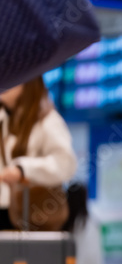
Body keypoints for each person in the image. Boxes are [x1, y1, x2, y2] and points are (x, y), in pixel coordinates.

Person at [0, 76, 77, 229]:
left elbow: (65, 163)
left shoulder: (47, 120)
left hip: (32, 213)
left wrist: (22, 170)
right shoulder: (3, 119)